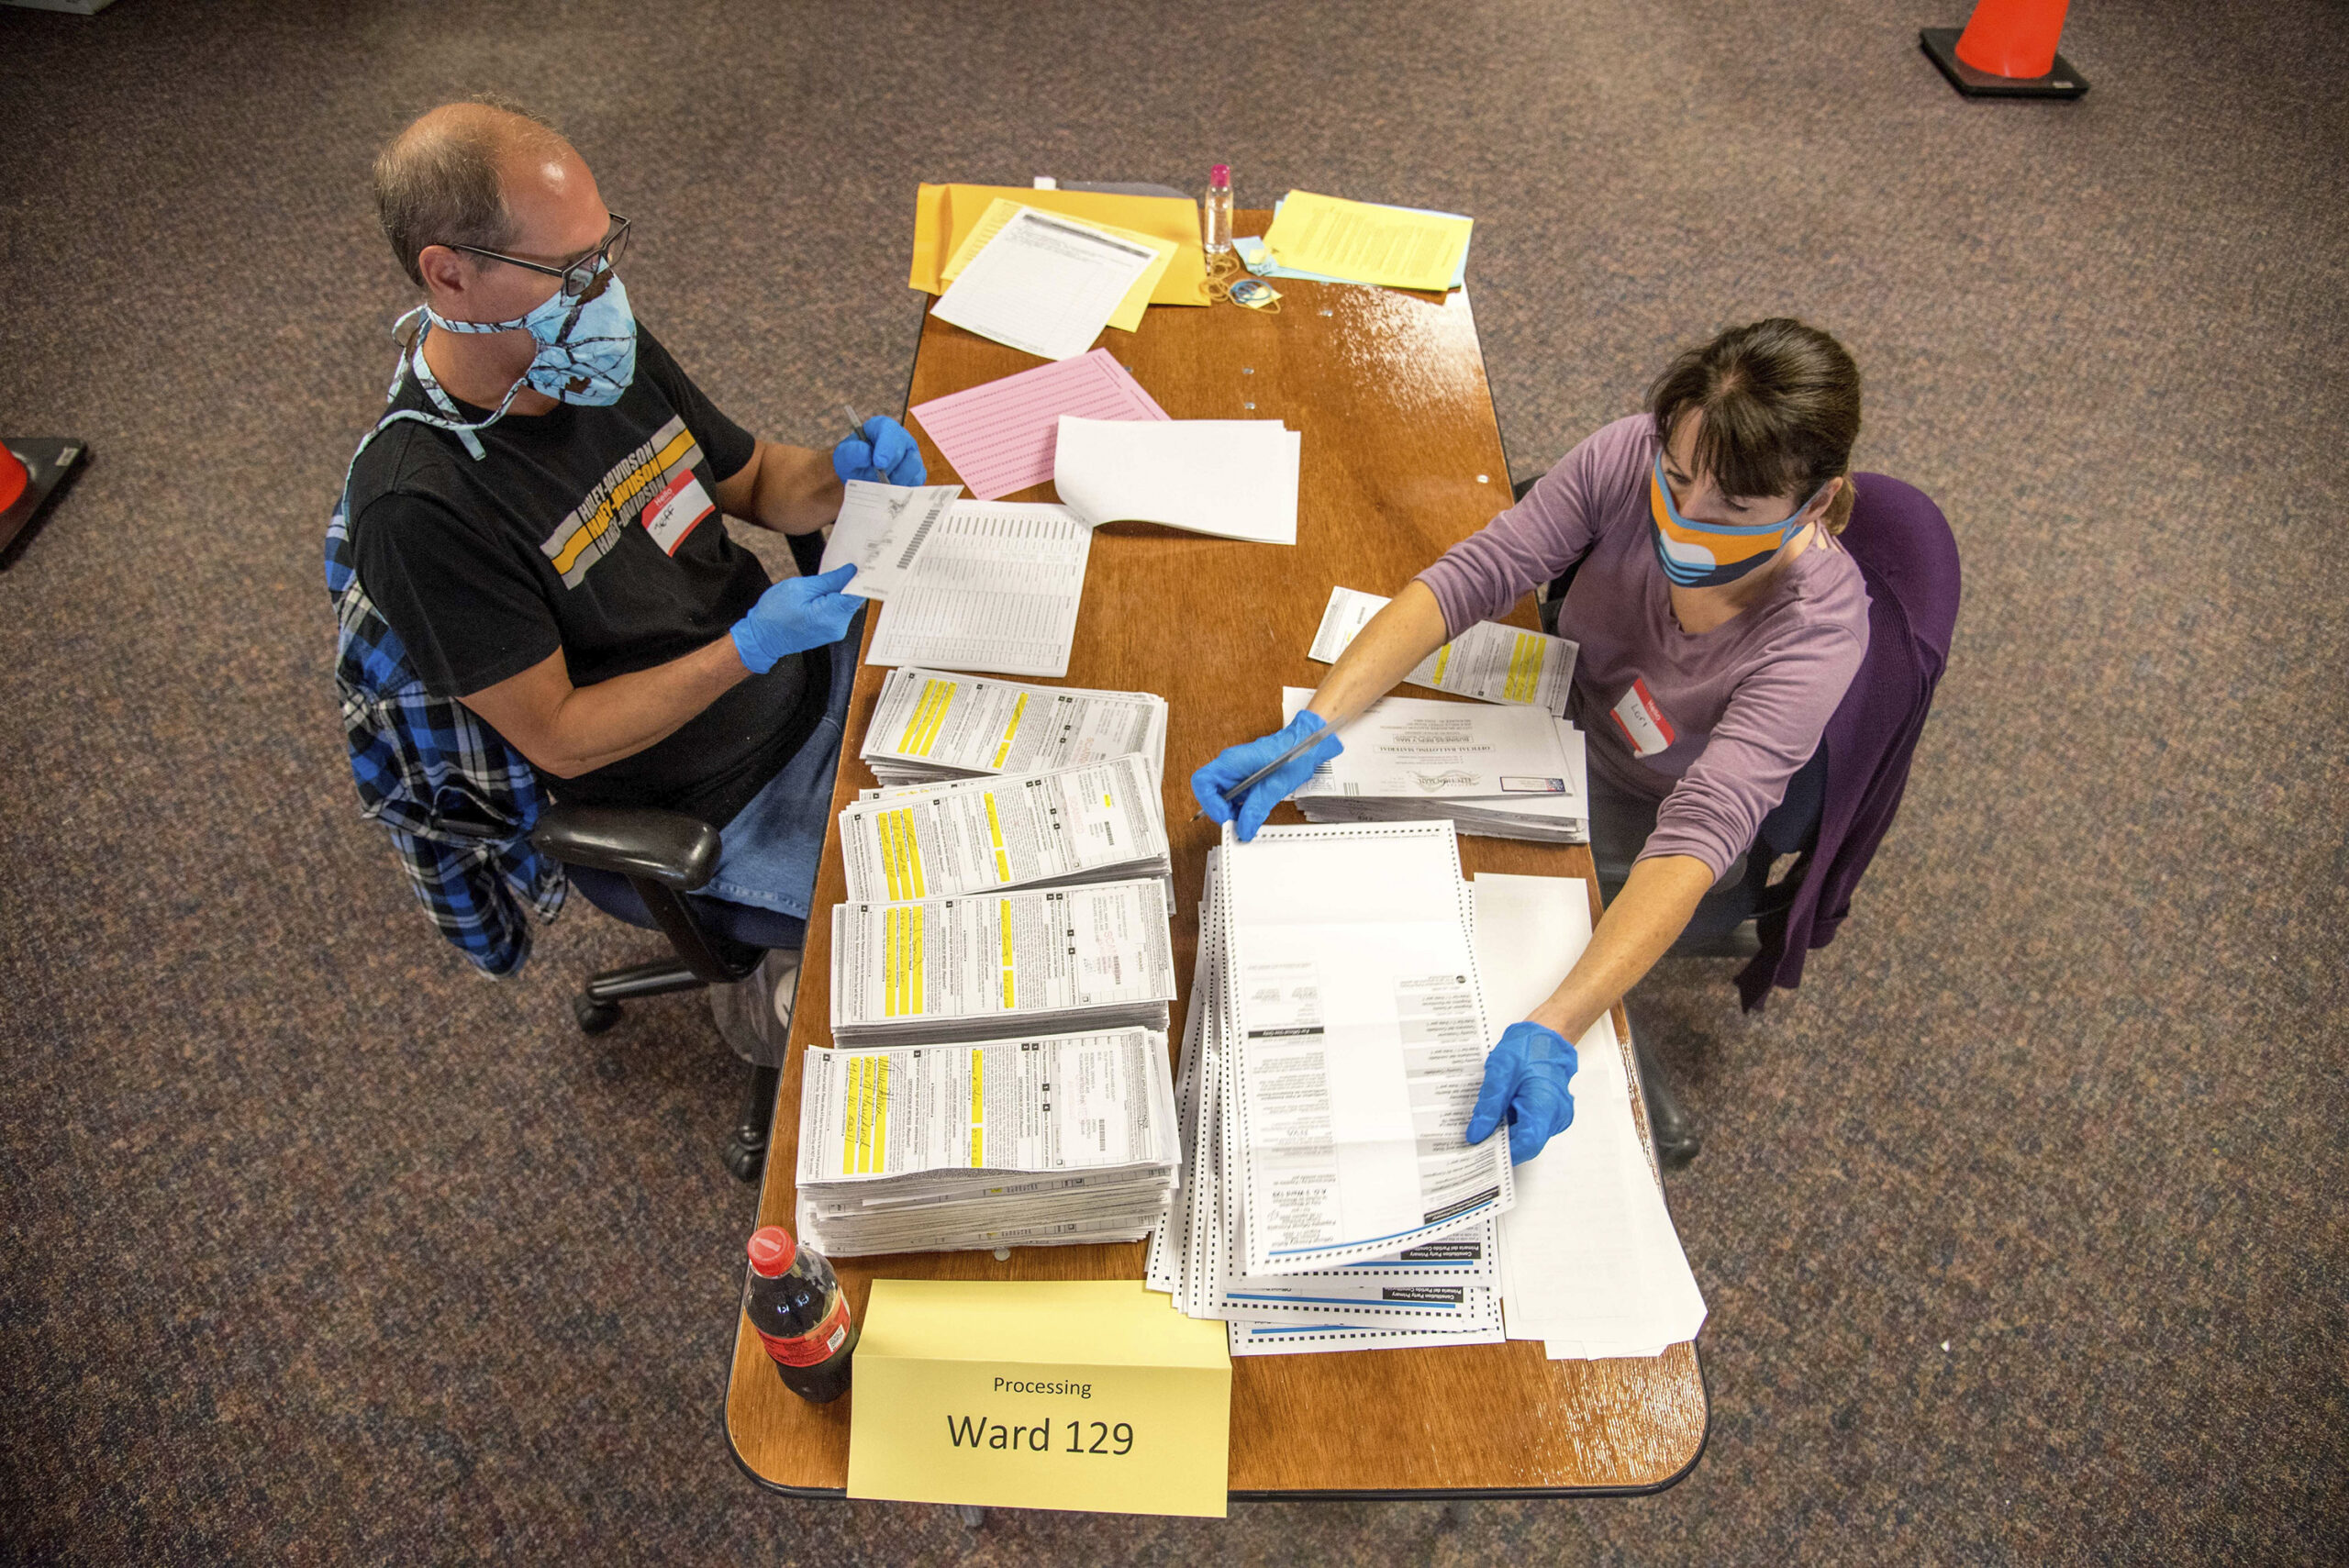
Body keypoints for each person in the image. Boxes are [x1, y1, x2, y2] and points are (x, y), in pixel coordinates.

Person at [1193, 318, 1873, 1163]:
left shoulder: (1817, 631)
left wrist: (1559, 1023)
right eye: (1678, 476)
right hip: (1547, 727)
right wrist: (1316, 722)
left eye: (1734, 505)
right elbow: (1476, 573)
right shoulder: (1629, 457)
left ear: (1815, 502)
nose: (1687, 518)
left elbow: (1704, 827)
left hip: (1652, 809)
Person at [343, 99, 923, 952]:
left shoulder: (588, 351)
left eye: (605, 250)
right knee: (960, 918)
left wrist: (840, 472)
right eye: (568, 268)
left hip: (812, 674)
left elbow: (758, 478)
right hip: (715, 799)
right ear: (449, 274)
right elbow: (563, 739)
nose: (605, 292)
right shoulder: (419, 509)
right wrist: (747, 648)